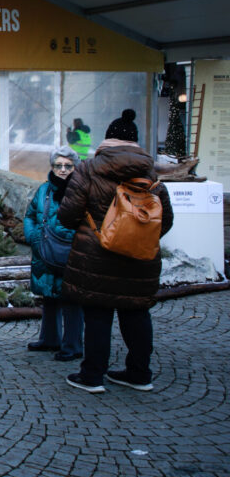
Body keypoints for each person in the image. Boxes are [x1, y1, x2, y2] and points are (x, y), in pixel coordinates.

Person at [59, 109, 173, 393]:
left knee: (98, 315)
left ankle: (92, 376)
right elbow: (165, 220)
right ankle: (139, 374)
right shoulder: (151, 175)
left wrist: (92, 229)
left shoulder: (88, 169)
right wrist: (137, 237)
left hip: (96, 256)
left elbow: (68, 214)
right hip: (140, 259)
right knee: (136, 313)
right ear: (135, 142)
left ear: (108, 139)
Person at [23, 146, 83, 361]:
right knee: (48, 296)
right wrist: (33, 237)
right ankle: (49, 339)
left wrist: (72, 239)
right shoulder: (44, 190)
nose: (63, 169)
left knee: (71, 300)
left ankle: (73, 345)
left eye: (68, 166)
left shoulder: (81, 190)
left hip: (71, 252)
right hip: (45, 252)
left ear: (75, 167)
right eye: (58, 165)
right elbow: (30, 215)